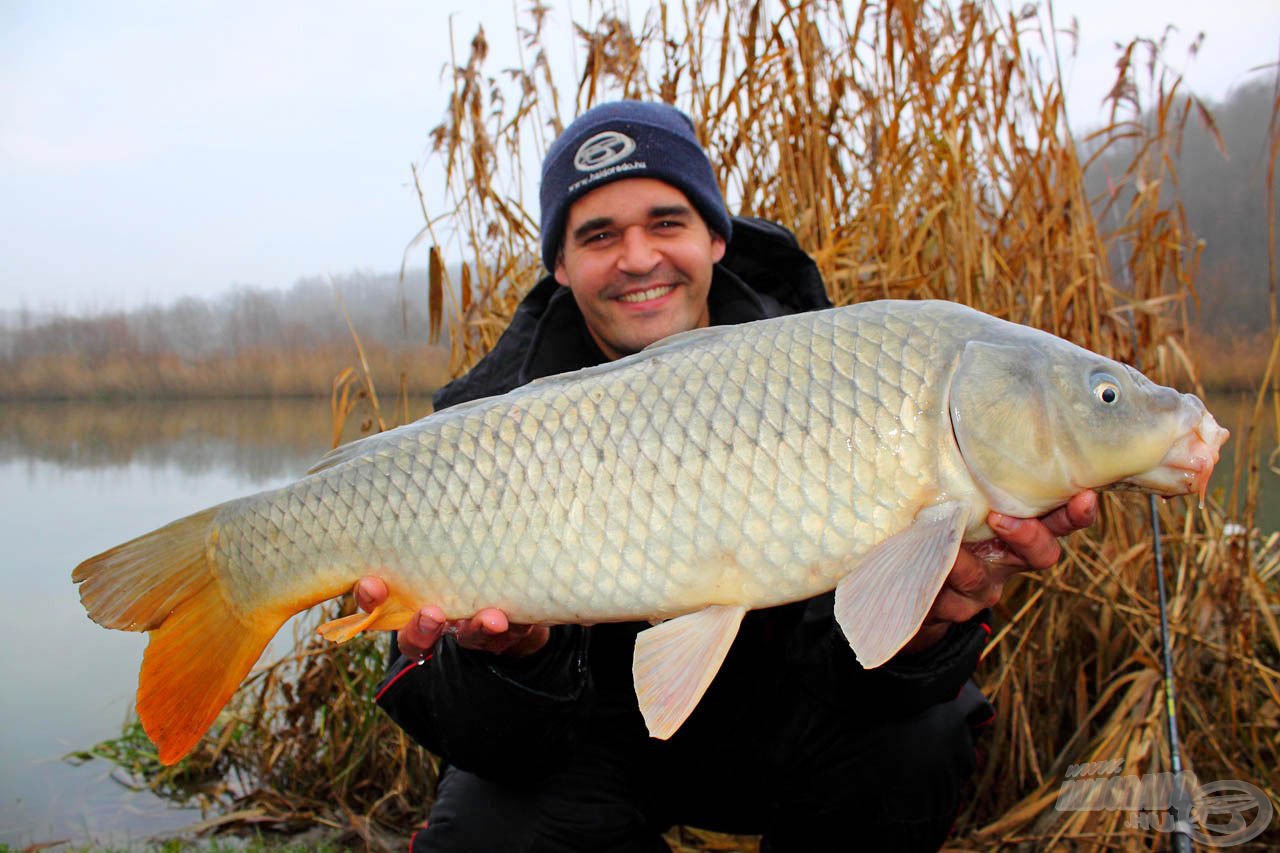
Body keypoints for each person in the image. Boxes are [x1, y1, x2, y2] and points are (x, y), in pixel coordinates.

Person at [356, 101, 1097, 851]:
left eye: (665, 222)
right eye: (599, 235)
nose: (639, 257)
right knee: (484, 830)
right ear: (559, 265)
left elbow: (851, 671)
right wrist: (517, 659)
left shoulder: (840, 374)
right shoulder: (487, 422)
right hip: (584, 747)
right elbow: (453, 720)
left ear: (716, 235)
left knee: (922, 737)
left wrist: (925, 630)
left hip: (777, 732)